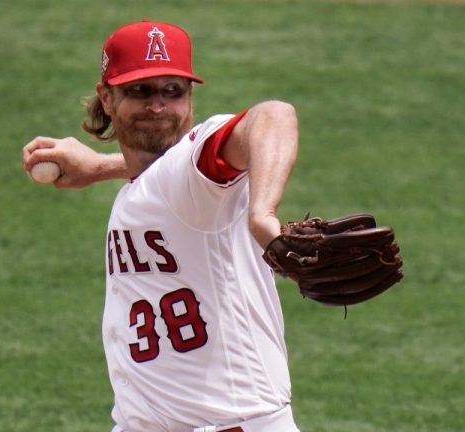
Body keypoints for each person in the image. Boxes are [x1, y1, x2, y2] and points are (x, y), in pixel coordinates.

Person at [23, 19, 301, 432]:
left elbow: (274, 117)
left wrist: (262, 215)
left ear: (190, 99)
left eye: (173, 91)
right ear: (107, 98)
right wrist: (100, 168)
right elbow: (155, 176)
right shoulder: (154, 185)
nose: (158, 106)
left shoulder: (193, 170)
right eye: (140, 91)